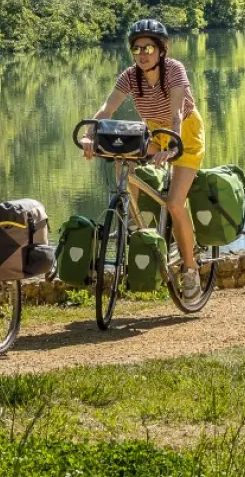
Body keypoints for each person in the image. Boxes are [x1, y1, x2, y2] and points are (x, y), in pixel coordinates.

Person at [79, 19, 207, 298]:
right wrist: (91, 134)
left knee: (174, 204)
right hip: (152, 133)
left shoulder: (174, 70)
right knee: (121, 160)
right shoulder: (130, 76)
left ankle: (190, 268)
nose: (142, 53)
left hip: (184, 133)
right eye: (137, 48)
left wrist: (174, 146)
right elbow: (107, 107)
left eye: (149, 47)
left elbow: (176, 114)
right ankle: (137, 225)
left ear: (161, 50)